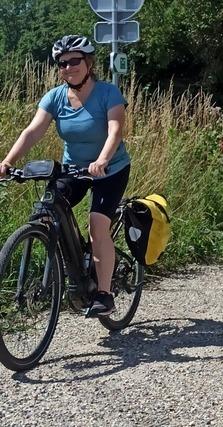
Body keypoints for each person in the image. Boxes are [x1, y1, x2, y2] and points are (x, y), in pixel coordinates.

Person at [0, 35, 130, 316]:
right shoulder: (55, 97)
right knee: (46, 210)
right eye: (62, 63)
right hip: (74, 169)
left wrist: (102, 160)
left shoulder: (108, 93)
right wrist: (8, 162)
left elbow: (115, 131)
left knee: (97, 225)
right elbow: (32, 131)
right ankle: (70, 267)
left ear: (88, 63)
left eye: (74, 61)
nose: (68, 67)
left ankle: (104, 294)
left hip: (110, 169)